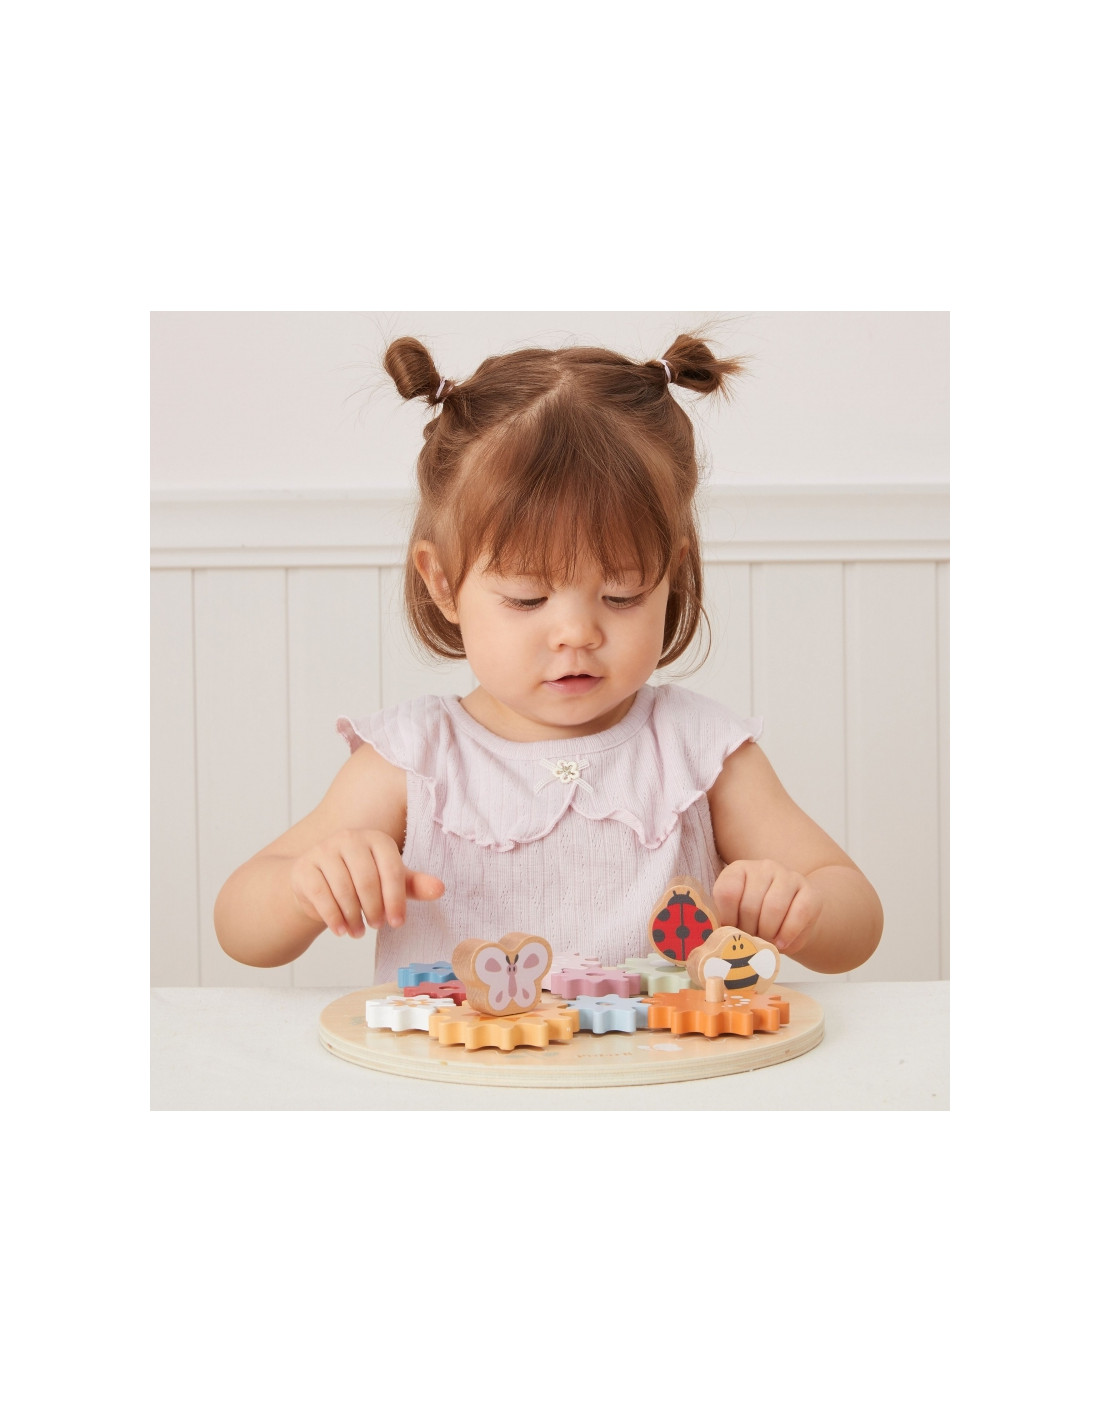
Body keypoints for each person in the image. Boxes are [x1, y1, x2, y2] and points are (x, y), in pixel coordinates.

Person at [214, 331, 883, 978]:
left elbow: (856, 916)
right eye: (528, 598)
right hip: (454, 1061)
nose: (576, 633)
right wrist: (307, 886)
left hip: (665, 1060)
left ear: (671, 576)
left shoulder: (701, 752)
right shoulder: (413, 760)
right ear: (442, 582)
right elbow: (239, 926)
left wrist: (803, 908)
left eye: (621, 595)